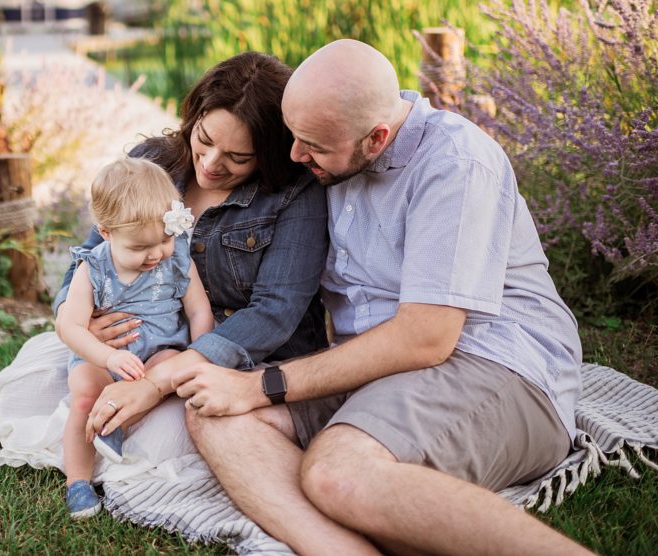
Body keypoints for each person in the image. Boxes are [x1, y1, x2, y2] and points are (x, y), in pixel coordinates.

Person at [166, 39, 589, 554]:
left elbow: (426, 339)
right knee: (215, 411)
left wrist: (263, 385)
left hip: (497, 366)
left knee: (335, 473)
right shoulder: (329, 152)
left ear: (377, 138)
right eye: (294, 138)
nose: (297, 157)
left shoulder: (455, 162)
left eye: (314, 147)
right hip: (379, 374)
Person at [55, 50, 329, 452]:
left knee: (166, 435)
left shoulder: (294, 195)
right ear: (194, 117)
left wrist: (165, 378)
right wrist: (78, 321)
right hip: (144, 346)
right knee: (73, 393)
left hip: (243, 359)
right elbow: (93, 254)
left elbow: (274, 313)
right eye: (205, 139)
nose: (212, 164)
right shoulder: (152, 163)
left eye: (239, 157)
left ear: (269, 153)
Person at [56, 158, 214, 518]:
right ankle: (77, 483)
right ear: (106, 233)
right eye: (139, 247)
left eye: (164, 239)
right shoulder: (93, 269)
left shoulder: (177, 261)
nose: (155, 254)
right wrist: (108, 359)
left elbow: (198, 311)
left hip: (158, 352)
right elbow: (70, 327)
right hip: (102, 355)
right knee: (85, 397)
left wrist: (198, 354)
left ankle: (113, 427)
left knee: (168, 368)